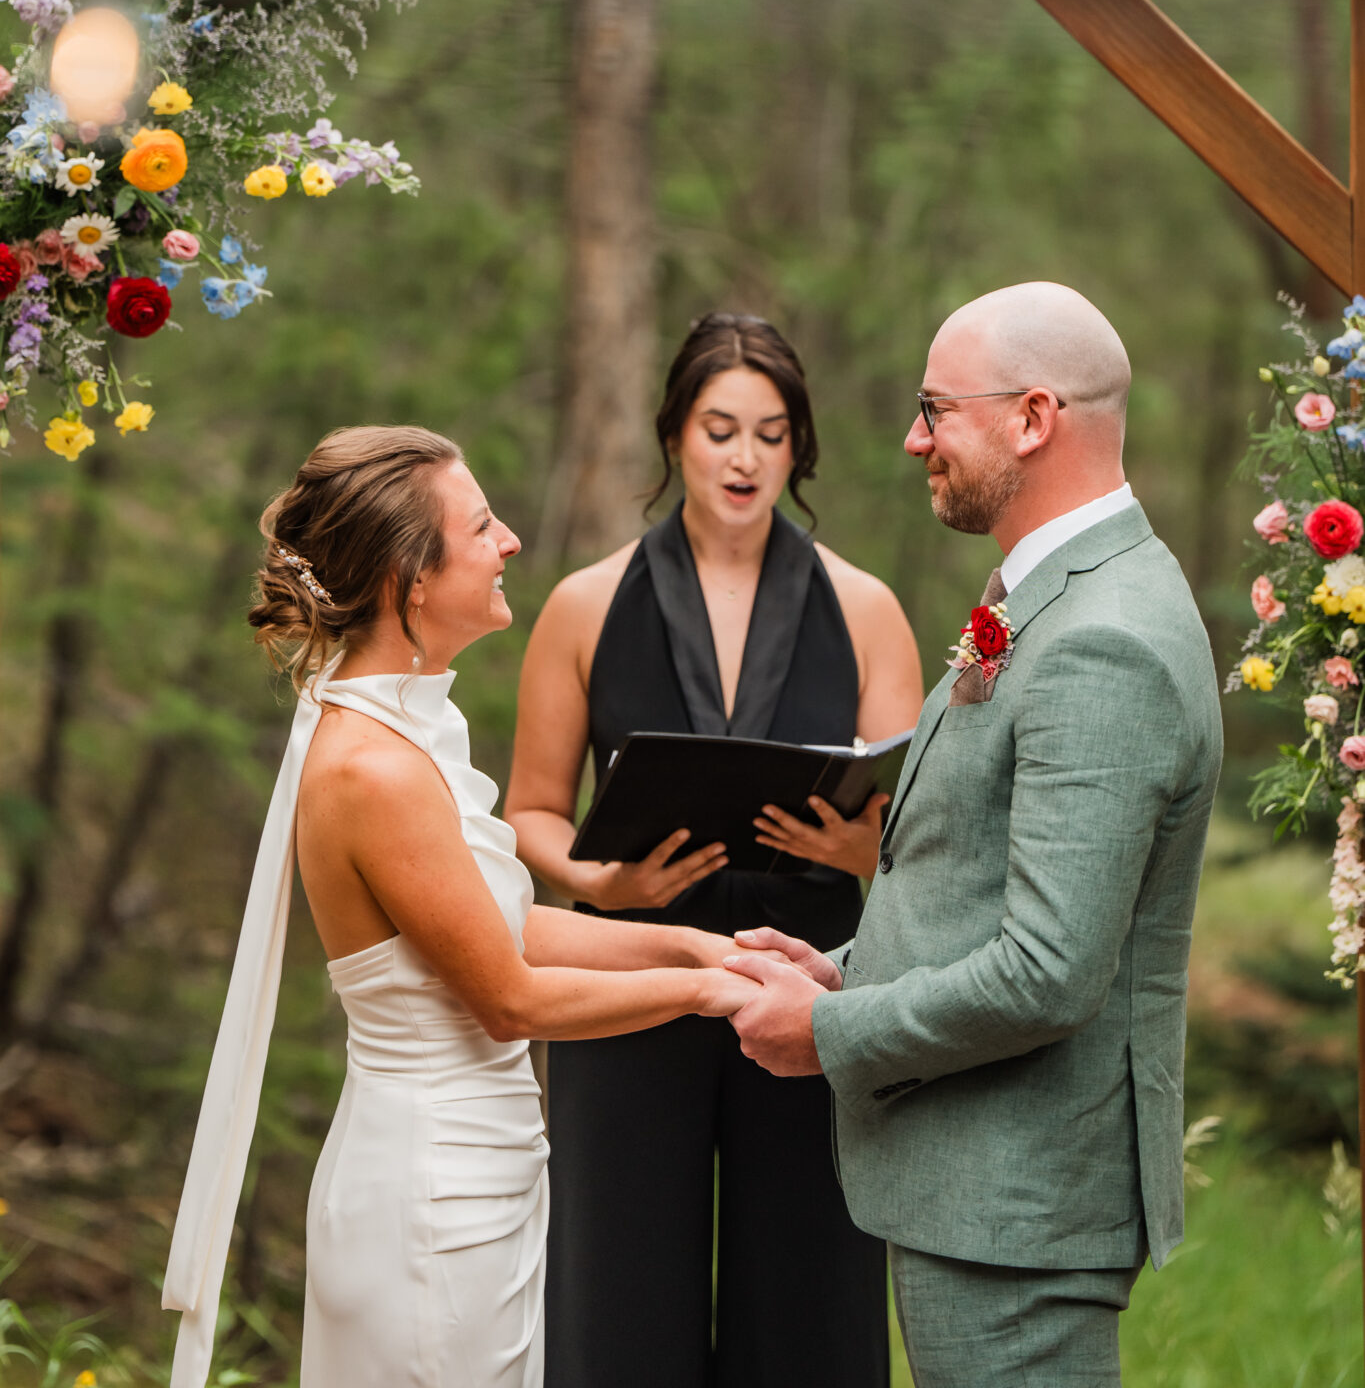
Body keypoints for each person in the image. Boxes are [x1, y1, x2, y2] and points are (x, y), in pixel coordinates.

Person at [161, 424, 758, 1388]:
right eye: (481, 527)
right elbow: (510, 999)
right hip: (428, 1200)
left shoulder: (413, 726)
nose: (510, 539)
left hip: (481, 1177)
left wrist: (697, 947)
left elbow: (507, 924)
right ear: (412, 581)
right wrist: (706, 999)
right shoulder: (373, 767)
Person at [725, 282, 1223, 1388]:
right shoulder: (1057, 596)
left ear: (1032, 417)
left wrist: (831, 1030)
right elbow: (985, 885)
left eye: (935, 408)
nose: (914, 438)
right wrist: (841, 969)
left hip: (1021, 1208)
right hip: (985, 1195)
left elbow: (1049, 969)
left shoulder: (1106, 640)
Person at [506, 313, 922, 1388]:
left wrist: (862, 848)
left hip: (816, 978)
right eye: (721, 428)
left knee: (813, 1288)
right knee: (618, 1283)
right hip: (633, 975)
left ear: (802, 448)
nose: (746, 458)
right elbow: (532, 811)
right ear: (674, 435)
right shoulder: (583, 604)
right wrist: (600, 878)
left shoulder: (869, 608)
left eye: (773, 434)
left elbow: (923, 824)